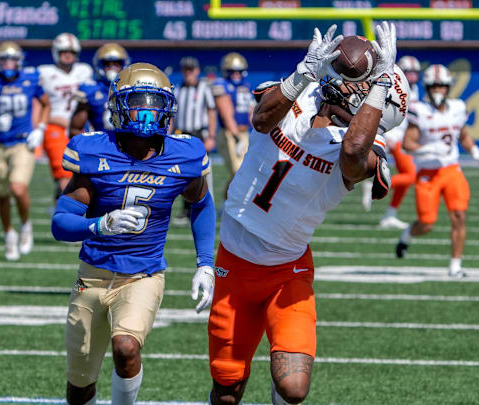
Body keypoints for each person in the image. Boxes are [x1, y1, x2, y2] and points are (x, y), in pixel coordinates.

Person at [208, 23, 404, 404]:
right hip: (233, 260)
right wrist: (304, 72)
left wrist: (380, 83)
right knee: (227, 390)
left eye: (367, 86)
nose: (354, 85)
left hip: (286, 270)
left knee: (293, 387)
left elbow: (352, 153)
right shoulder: (301, 96)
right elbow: (262, 120)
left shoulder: (364, 148)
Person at [51, 63, 216, 405]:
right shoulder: (95, 151)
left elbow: (201, 203)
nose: (147, 110)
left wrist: (205, 263)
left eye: (155, 101)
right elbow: (60, 222)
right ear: (118, 105)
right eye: (138, 100)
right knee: (79, 386)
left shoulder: (184, 154)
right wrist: (98, 225)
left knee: (126, 348)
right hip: (93, 276)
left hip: (143, 274)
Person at [396, 63, 479, 277]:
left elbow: (463, 135)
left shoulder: (458, 107)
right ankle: (408, 234)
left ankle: (455, 266)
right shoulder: (420, 111)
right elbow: (408, 144)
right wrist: (429, 148)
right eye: (434, 86)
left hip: (452, 169)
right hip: (428, 173)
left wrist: (473, 149)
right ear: (427, 88)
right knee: (426, 224)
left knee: (459, 216)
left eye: (442, 86)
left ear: (448, 88)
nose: (438, 90)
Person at [0, 41, 50, 261]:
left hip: (22, 143)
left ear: (19, 61)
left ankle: (26, 225)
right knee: (2, 194)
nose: (8, 64)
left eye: (12, 59)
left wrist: (41, 129)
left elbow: (46, 104)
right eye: (4, 59)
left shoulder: (30, 79)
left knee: (18, 188)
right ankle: (9, 233)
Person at [37, 33, 93, 202]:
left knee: (83, 173)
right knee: (65, 174)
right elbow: (38, 104)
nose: (68, 55)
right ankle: (68, 212)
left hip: (80, 127)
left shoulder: (84, 71)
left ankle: (61, 203)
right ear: (56, 52)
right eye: (63, 52)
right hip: (56, 126)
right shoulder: (45, 73)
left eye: (71, 52)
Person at [369, 55, 421, 229]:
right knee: (411, 175)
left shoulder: (414, 89)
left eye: (415, 72)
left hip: (402, 136)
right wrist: (388, 137)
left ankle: (390, 215)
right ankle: (373, 184)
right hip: (394, 136)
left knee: (407, 178)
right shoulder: (394, 86)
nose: (412, 76)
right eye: (409, 72)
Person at [173, 56, 217, 222]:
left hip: (198, 134)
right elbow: (173, 116)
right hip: (181, 133)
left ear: (197, 71)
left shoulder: (204, 88)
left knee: (202, 173)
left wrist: (211, 136)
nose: (188, 73)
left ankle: (205, 208)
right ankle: (186, 210)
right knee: (182, 173)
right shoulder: (178, 89)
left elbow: (212, 112)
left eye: (191, 70)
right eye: (185, 70)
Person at [212, 52, 254, 194]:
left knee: (244, 173)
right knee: (238, 172)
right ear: (226, 71)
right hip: (229, 134)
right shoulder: (221, 84)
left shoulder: (246, 86)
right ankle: (229, 204)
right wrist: (236, 137)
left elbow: (251, 113)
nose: (236, 74)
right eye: (232, 71)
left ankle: (226, 202)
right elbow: (226, 114)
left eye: (239, 71)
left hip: (245, 134)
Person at [70, 43, 129, 136]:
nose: (112, 68)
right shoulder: (90, 90)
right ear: (100, 66)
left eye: (116, 64)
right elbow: (75, 129)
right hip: (100, 143)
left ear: (123, 66)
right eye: (107, 64)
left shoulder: (130, 89)